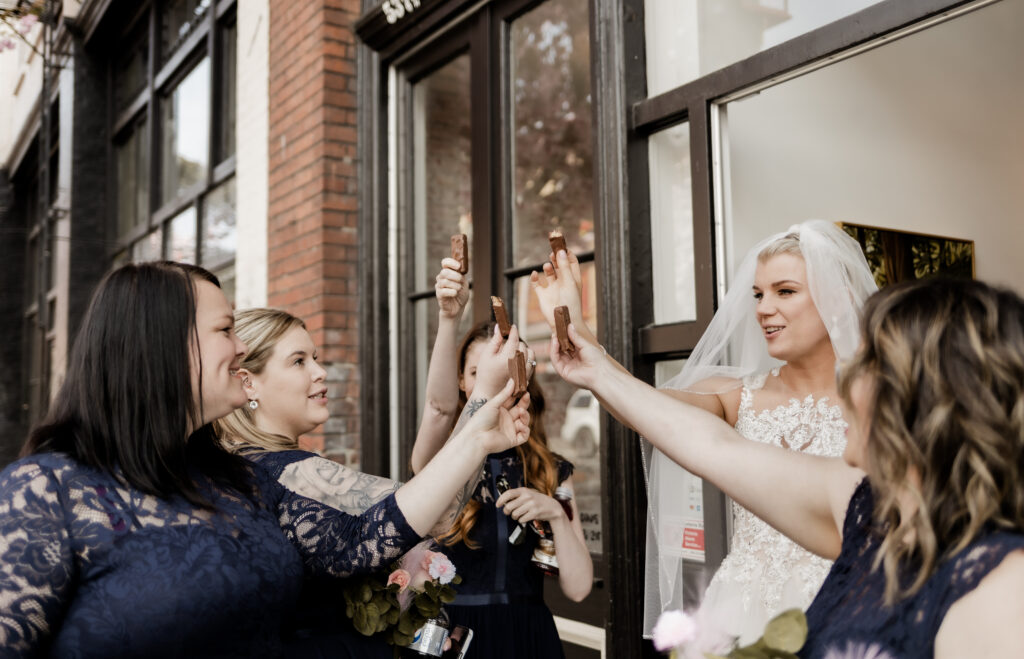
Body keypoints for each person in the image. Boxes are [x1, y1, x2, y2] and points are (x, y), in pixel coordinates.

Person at [0, 261, 530, 657]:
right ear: (160, 345)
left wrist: (481, 434)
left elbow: (368, 536)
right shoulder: (47, 491)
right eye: (225, 330)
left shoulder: (241, 482)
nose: (237, 349)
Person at [549, 277, 1024, 657]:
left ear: (923, 397)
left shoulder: (1004, 593)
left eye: (869, 362)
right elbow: (710, 445)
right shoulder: (863, 505)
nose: (849, 378)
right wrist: (597, 369)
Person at [530, 221, 878, 639]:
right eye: (758, 295)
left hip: (848, 604)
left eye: (785, 291)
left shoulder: (885, 399)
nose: (764, 308)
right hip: (742, 612)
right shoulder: (734, 395)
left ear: (838, 300)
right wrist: (579, 331)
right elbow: (644, 409)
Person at [213, 307, 515, 657]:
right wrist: (483, 396)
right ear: (249, 381)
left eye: (315, 357)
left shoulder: (237, 465)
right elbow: (440, 511)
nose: (320, 371)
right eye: (299, 362)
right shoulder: (289, 472)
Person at [409, 258, 593, 659]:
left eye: (505, 372)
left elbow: (578, 589)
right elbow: (438, 409)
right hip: (456, 638)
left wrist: (557, 514)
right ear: (461, 381)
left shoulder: (549, 468)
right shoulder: (443, 457)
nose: (493, 384)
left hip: (528, 639)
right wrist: (447, 317)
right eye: (477, 373)